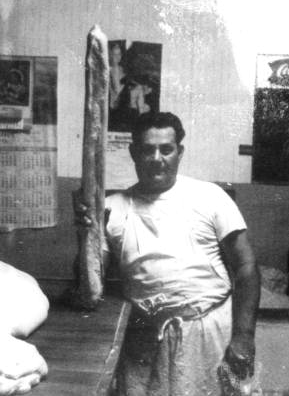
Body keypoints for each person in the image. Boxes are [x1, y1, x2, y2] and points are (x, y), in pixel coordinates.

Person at [81, 111, 260, 395]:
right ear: (133, 153)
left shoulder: (210, 197)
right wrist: (84, 235)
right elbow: (90, 287)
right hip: (144, 338)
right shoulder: (111, 207)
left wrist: (243, 336)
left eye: (166, 149)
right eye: (147, 149)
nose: (156, 158)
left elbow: (246, 267)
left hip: (210, 332)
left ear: (180, 152)